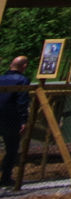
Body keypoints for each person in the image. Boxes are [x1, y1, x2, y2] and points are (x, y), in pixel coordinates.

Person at [0, 54, 31, 191]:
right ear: (24, 66)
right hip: (11, 118)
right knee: (11, 148)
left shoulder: (1, 78)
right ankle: (5, 177)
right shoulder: (22, 80)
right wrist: (23, 120)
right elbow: (22, 101)